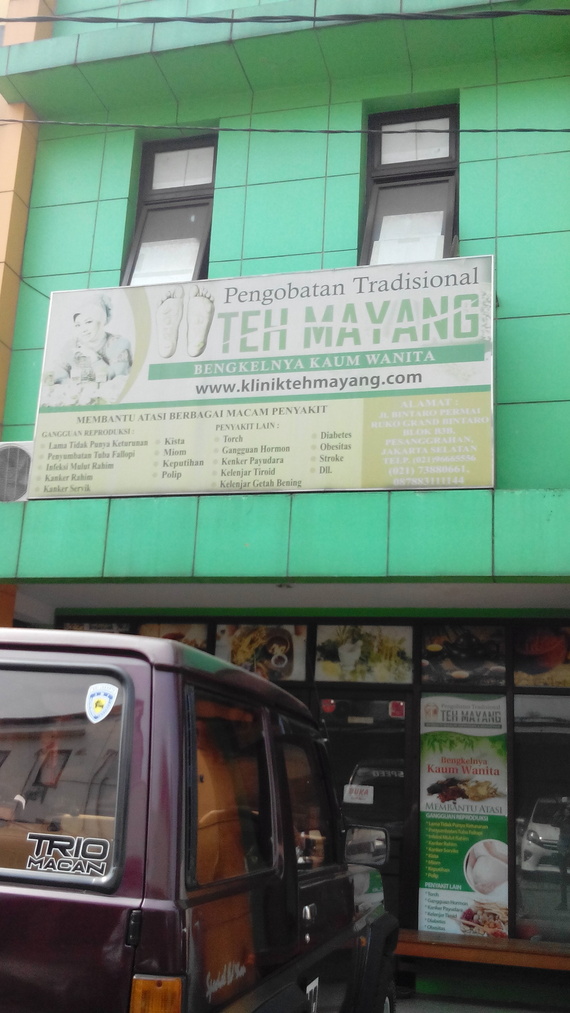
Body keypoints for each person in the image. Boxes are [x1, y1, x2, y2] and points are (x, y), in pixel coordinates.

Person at [52, 295, 132, 386]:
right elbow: (58, 372)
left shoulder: (119, 344)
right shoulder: (72, 345)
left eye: (88, 322)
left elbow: (119, 379)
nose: (83, 330)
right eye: (78, 325)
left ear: (101, 321)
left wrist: (95, 359)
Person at [553, 796, 570, 910]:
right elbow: (553, 822)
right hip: (563, 850)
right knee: (562, 878)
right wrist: (560, 809)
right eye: (567, 809)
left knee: (563, 878)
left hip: (565, 849)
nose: (567, 811)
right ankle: (563, 903)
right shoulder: (563, 819)